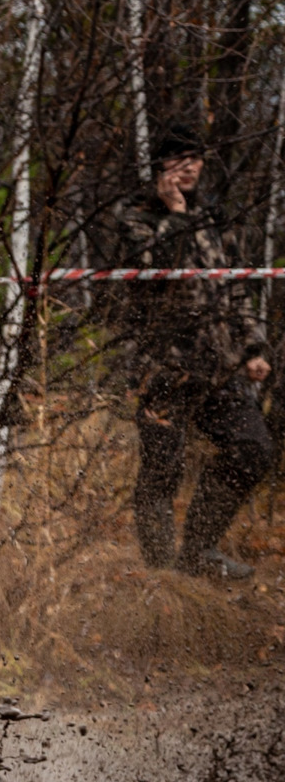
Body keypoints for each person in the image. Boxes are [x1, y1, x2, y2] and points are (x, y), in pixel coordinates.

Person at [109, 125, 275, 578]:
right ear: (160, 167)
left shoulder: (215, 217)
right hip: (161, 368)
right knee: (162, 469)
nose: (187, 168)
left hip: (218, 366)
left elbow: (235, 287)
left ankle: (198, 552)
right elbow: (156, 273)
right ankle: (161, 575)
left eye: (194, 160)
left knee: (252, 449)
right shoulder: (135, 216)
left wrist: (252, 347)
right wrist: (176, 214)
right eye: (177, 160)